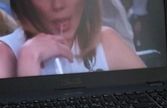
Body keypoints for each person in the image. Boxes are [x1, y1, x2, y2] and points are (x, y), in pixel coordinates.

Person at [0, 0, 145, 78]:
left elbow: (150, 98)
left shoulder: (106, 41)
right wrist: (29, 61)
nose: (58, 5)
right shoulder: (5, 55)